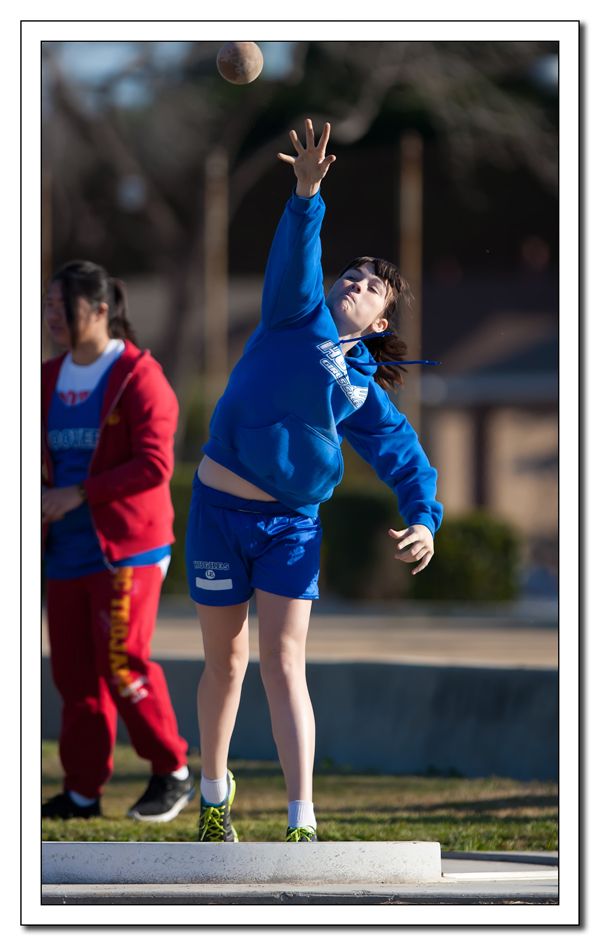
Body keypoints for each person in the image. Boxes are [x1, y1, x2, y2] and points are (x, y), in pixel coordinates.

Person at [186, 119, 443, 843]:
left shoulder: (362, 386)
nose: (354, 282)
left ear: (381, 318)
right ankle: (214, 796)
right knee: (225, 662)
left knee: (283, 660)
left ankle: (302, 819)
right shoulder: (291, 314)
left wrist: (424, 517)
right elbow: (297, 257)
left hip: (291, 526)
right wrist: (305, 194)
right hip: (216, 511)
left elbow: (404, 455)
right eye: (351, 274)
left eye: (370, 286)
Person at [42, 260, 194, 822]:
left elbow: (154, 465)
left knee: (122, 662)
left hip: (127, 547)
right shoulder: (44, 377)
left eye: (64, 307)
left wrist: (78, 493)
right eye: (49, 307)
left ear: (101, 310)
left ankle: (171, 771)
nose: (53, 317)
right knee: (74, 677)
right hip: (65, 552)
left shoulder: (138, 376)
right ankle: (82, 792)